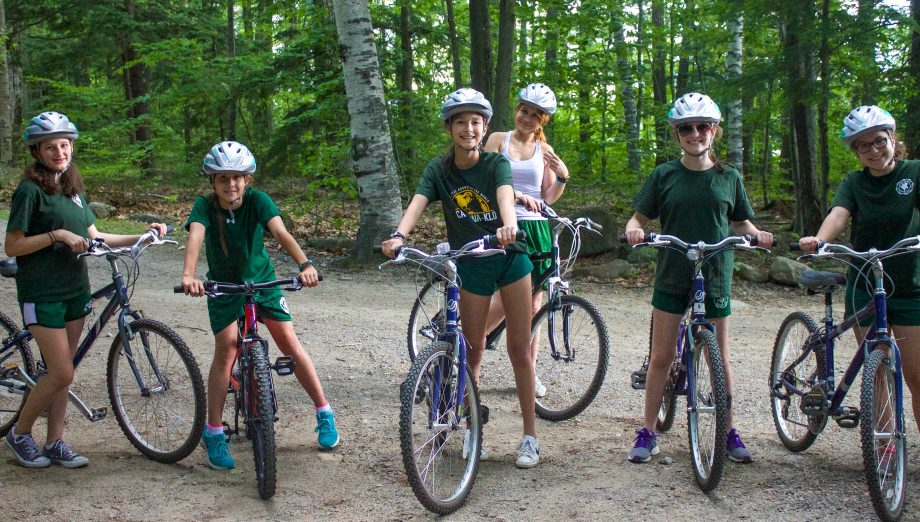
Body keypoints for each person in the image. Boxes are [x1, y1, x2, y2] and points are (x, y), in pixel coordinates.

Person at [381, 88, 541, 468]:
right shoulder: (439, 170)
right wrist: (399, 236)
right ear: (449, 127)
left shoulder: (494, 164)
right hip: (470, 266)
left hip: (509, 259)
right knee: (471, 350)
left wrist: (509, 226)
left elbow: (505, 197)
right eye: (460, 122)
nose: (468, 129)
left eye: (475, 122)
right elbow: (416, 204)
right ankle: (473, 429)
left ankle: (530, 437)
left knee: (520, 350)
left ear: (484, 128)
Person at [4, 111, 167, 468]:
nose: (60, 152)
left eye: (64, 145)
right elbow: (13, 245)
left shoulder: (73, 189)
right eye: (51, 147)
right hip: (42, 292)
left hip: (74, 290)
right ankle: (19, 434)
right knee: (61, 372)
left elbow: (96, 237)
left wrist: (142, 236)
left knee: (65, 369)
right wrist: (57, 236)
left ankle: (55, 442)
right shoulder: (30, 191)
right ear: (37, 151)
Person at [623, 93, 772, 464]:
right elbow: (639, 218)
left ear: (714, 131)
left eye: (702, 126)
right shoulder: (664, 175)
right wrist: (633, 230)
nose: (694, 133)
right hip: (674, 269)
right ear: (677, 135)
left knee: (719, 356)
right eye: (685, 128)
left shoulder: (728, 177)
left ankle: (728, 429)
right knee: (661, 356)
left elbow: (741, 222)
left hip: (716, 271)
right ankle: (647, 431)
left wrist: (758, 234)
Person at [180, 140, 339, 470]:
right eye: (223, 178)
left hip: (262, 281)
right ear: (213, 181)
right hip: (225, 287)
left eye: (237, 177)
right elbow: (195, 235)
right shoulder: (204, 206)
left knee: (289, 342)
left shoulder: (258, 200)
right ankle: (213, 432)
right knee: (226, 347)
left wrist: (305, 264)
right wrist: (189, 275)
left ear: (247, 179)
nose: (231, 184)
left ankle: (324, 412)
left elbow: (280, 232)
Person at [800, 105, 920, 435]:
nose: (873, 150)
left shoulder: (914, 172)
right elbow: (840, 214)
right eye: (862, 146)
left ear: (893, 138)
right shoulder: (854, 182)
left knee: (916, 375)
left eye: (879, 141)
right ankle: (884, 445)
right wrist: (820, 240)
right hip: (866, 282)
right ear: (855, 151)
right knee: (876, 369)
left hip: (910, 286)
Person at [482, 83, 569, 398]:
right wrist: (512, 197)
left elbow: (547, 198)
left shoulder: (543, 150)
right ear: (517, 110)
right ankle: (464, 342)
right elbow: (481, 180)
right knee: (504, 300)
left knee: (533, 306)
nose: (527, 118)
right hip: (502, 225)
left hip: (536, 229)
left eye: (535, 115)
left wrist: (561, 176)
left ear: (542, 120)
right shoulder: (496, 140)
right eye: (524, 111)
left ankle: (528, 374)